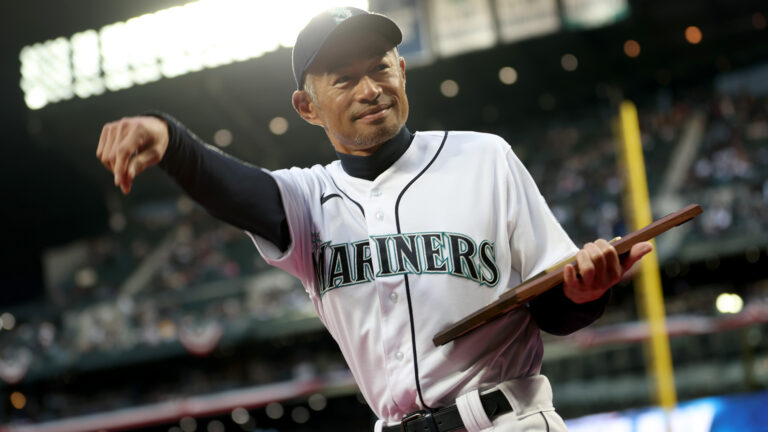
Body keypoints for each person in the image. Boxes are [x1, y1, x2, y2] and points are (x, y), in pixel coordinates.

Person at [96, 7, 651, 432]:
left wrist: (585, 292)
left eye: (380, 67)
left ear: (402, 72)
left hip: (505, 419)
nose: (370, 89)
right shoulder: (307, 199)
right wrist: (171, 141)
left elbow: (551, 304)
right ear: (307, 106)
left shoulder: (484, 157)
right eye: (343, 78)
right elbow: (239, 193)